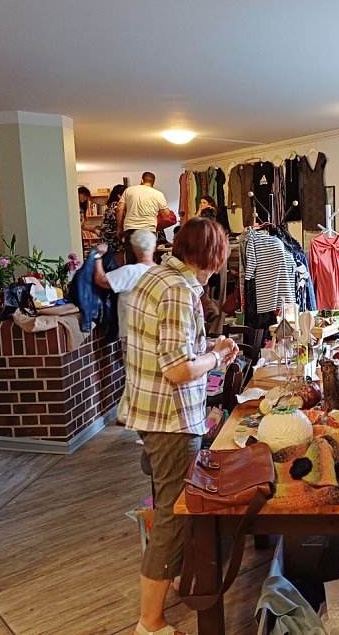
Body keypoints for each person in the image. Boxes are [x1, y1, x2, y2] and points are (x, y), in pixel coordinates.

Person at [123, 217, 239, 635]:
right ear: (212, 256)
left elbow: (165, 348)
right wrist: (218, 357)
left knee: (167, 500)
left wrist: (206, 348)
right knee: (174, 512)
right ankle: (150, 621)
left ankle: (170, 574)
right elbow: (176, 369)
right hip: (170, 417)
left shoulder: (154, 278)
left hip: (149, 410)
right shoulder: (179, 290)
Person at [118, 171, 173, 264]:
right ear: (153, 183)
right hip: (149, 230)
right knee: (147, 260)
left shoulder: (129, 190)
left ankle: (132, 278)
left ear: (142, 180)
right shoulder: (158, 194)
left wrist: (119, 228)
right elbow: (166, 215)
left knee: (131, 261)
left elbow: (119, 210)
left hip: (130, 228)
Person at [99, 184, 127, 258]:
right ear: (119, 196)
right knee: (118, 257)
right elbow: (117, 220)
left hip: (108, 235)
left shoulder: (111, 205)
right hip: (113, 236)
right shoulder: (116, 205)